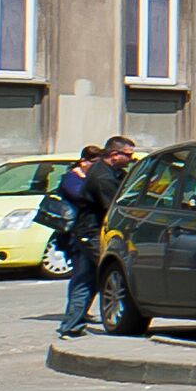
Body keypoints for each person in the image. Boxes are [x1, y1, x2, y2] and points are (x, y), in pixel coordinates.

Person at [52, 140, 127, 338]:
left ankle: (71, 325)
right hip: (91, 234)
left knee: (86, 279)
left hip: (87, 233)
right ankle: (76, 324)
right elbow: (112, 207)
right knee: (108, 275)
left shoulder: (103, 171)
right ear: (114, 154)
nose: (131, 159)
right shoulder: (103, 177)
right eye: (127, 155)